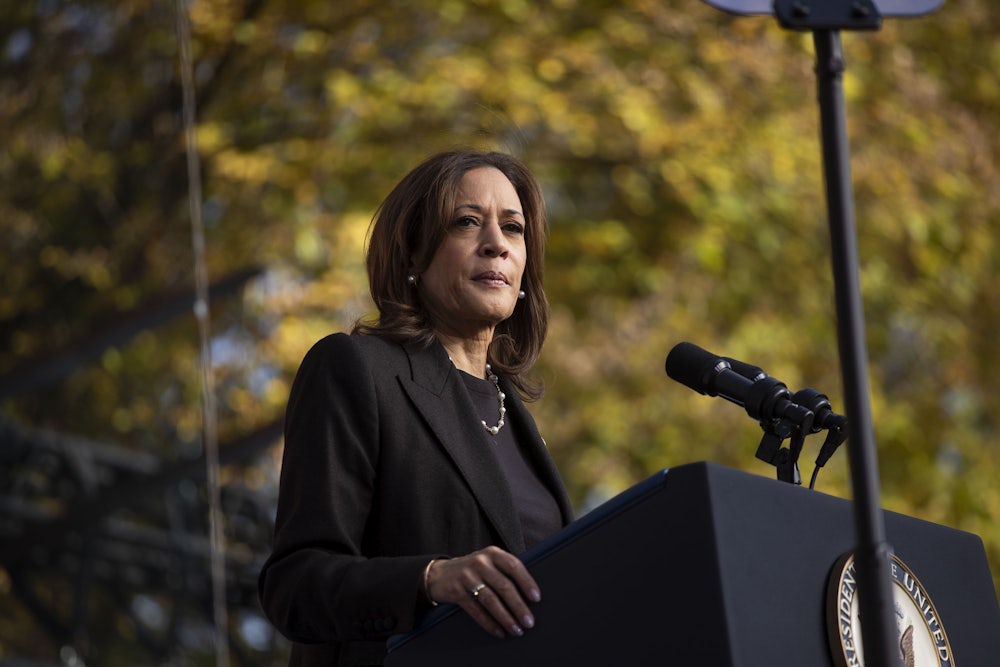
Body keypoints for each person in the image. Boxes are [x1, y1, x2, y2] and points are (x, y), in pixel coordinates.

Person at [258, 150, 574, 666]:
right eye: (467, 222)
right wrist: (429, 579)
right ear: (412, 256)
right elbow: (295, 585)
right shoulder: (356, 370)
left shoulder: (519, 422)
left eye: (513, 229)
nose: (496, 244)